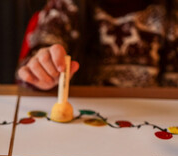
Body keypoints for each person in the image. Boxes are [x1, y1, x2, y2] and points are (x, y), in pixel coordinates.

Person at [17, 0, 178, 90]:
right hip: (83, 122)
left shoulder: (170, 13)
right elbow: (31, 65)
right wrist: (42, 69)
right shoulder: (66, 6)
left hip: (149, 122)